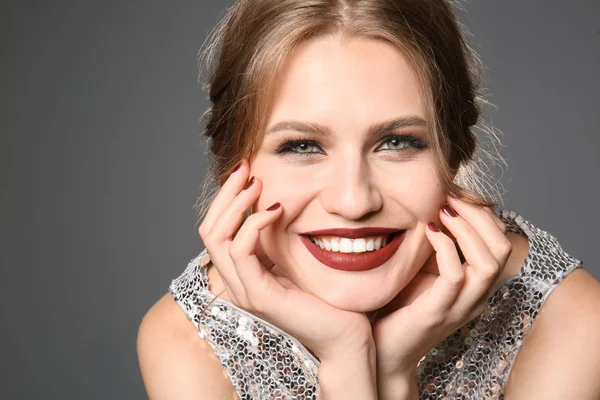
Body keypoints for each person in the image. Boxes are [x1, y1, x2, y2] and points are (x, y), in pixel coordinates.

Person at [136, 0, 600, 398]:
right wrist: (345, 356)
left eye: (397, 142)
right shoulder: (188, 338)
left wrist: (393, 376)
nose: (354, 202)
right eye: (301, 146)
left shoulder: (570, 319)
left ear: (454, 154)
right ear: (234, 166)